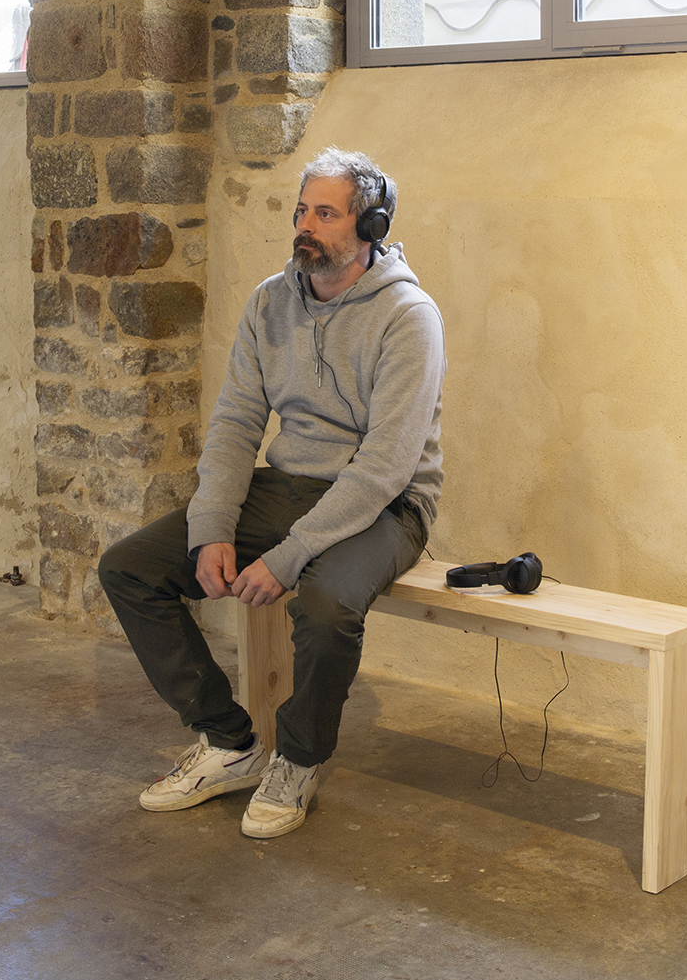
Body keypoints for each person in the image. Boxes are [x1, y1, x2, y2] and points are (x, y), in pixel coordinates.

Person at [98, 147, 445, 839]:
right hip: (288, 485)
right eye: (301, 210)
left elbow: (384, 467)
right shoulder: (270, 302)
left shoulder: (409, 316)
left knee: (324, 605)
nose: (305, 226)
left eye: (325, 213)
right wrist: (211, 529)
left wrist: (287, 559)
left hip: (388, 505)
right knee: (129, 568)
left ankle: (298, 759)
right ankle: (229, 743)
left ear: (370, 226)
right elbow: (235, 425)